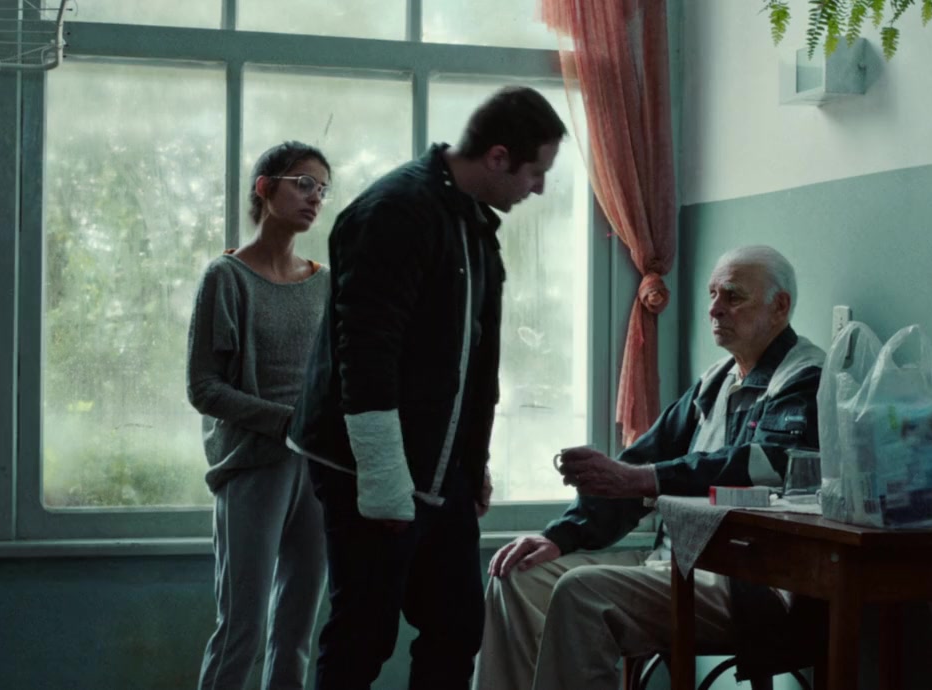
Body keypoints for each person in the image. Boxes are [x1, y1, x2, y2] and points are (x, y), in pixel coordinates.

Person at [285, 86, 567, 690]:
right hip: (367, 466)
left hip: (441, 470)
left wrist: (473, 461)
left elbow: (474, 362)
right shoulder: (395, 209)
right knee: (364, 633)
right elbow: (366, 351)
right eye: (536, 172)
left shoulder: (473, 224)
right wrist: (385, 482)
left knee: (457, 625)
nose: (540, 188)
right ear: (498, 157)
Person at [475, 245, 826, 690]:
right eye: (712, 294)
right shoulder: (715, 380)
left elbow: (765, 463)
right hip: (673, 562)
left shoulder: (806, 376)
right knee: (518, 576)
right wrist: (559, 537)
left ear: (780, 307)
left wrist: (643, 479)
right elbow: (639, 464)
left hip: (746, 585)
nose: (714, 308)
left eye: (733, 296)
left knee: (582, 592)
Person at [186, 141, 333, 690]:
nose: (315, 197)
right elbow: (203, 388)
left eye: (322, 188)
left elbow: (335, 376)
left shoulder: (323, 281)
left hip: (317, 472)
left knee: (295, 634)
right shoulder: (225, 277)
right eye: (303, 183)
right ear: (265, 188)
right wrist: (287, 422)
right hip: (252, 467)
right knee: (241, 630)